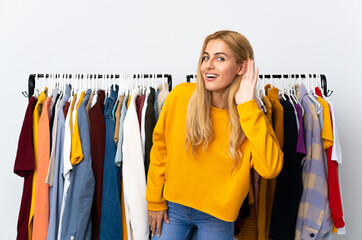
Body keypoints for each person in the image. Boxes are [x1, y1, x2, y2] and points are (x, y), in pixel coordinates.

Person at [146, 30, 283, 240]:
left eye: (220, 58)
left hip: (218, 217)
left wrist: (247, 106)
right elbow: (160, 149)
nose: (208, 65)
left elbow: (270, 168)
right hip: (173, 208)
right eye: (205, 57)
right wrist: (154, 200)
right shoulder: (180, 96)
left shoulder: (250, 115)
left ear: (241, 67)